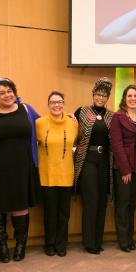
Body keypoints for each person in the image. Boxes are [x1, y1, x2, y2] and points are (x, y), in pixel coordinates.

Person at [0, 78, 39, 263]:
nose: (8, 95)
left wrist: (67, 117)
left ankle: (20, 246)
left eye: (10, 91)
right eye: (2, 92)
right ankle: (2, 247)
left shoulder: (26, 109)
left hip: (22, 166)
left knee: (20, 206)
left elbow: (45, 124)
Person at [74, 78, 114, 255]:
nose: (100, 97)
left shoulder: (111, 116)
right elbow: (71, 130)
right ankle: (89, 242)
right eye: (98, 94)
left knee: (102, 202)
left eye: (104, 95)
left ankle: (98, 240)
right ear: (93, 94)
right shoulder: (82, 111)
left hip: (104, 160)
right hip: (87, 159)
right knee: (91, 200)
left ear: (108, 98)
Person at [36, 91, 78, 257]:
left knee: (64, 213)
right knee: (49, 213)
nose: (56, 105)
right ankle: (49, 243)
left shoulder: (73, 123)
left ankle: (61, 244)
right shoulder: (39, 123)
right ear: (48, 105)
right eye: (53, 102)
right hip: (47, 174)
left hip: (66, 174)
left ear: (63, 104)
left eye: (59, 102)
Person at [110, 84, 136, 252]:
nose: (133, 99)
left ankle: (129, 238)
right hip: (123, 166)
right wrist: (125, 170)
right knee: (123, 204)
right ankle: (123, 240)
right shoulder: (118, 117)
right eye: (130, 96)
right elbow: (116, 144)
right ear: (124, 98)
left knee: (132, 204)